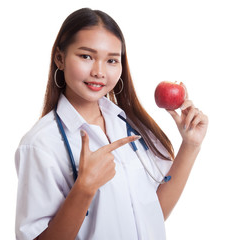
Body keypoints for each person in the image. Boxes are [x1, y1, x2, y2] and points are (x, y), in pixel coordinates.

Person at [15, 7, 208, 240]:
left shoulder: (130, 126)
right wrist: (84, 189)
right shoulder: (41, 144)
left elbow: (152, 213)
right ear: (60, 58)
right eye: (86, 56)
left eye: (111, 60)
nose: (99, 71)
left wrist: (190, 145)